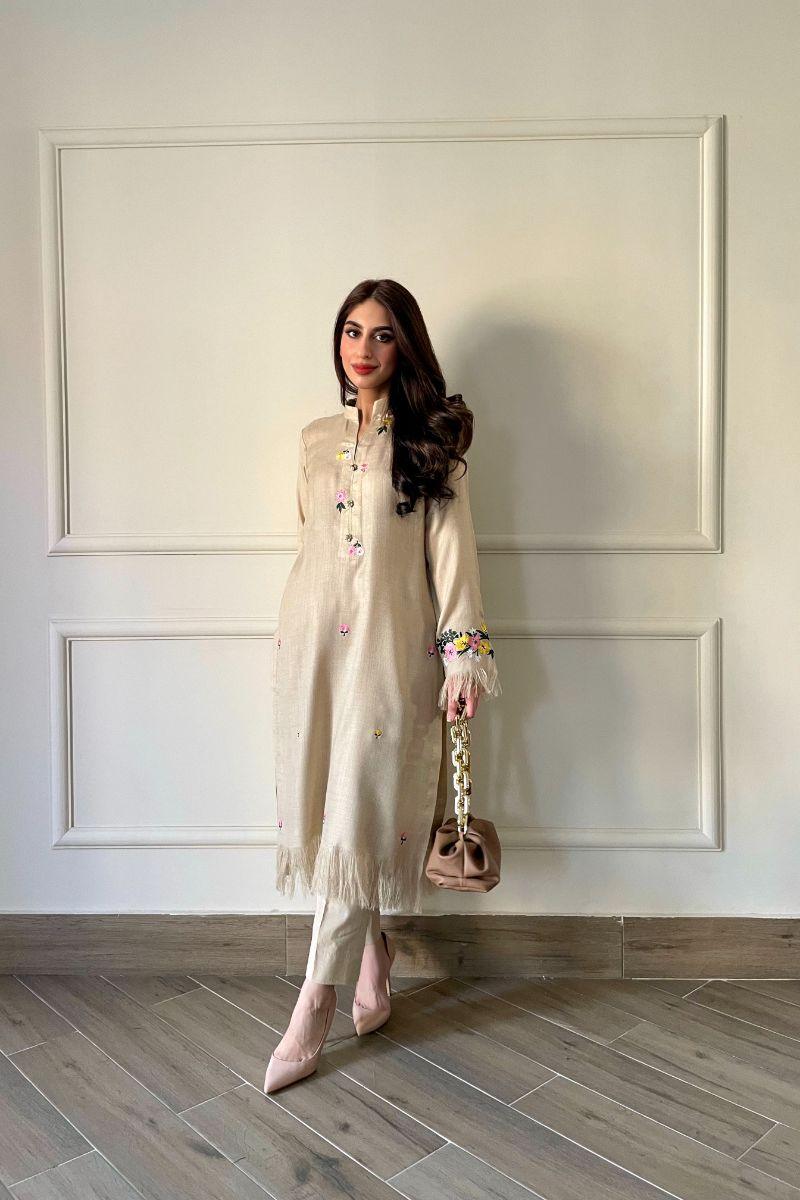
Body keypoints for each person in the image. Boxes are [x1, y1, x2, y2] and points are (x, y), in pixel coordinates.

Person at [264, 278, 501, 1093]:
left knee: (360, 812)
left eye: (383, 334)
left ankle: (316, 999)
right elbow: (312, 543)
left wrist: (464, 657)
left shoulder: (433, 445)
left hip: (392, 656)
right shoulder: (313, 440)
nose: (362, 349)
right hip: (312, 655)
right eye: (351, 331)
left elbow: (454, 562)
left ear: (407, 347)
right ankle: (374, 952)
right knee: (331, 812)